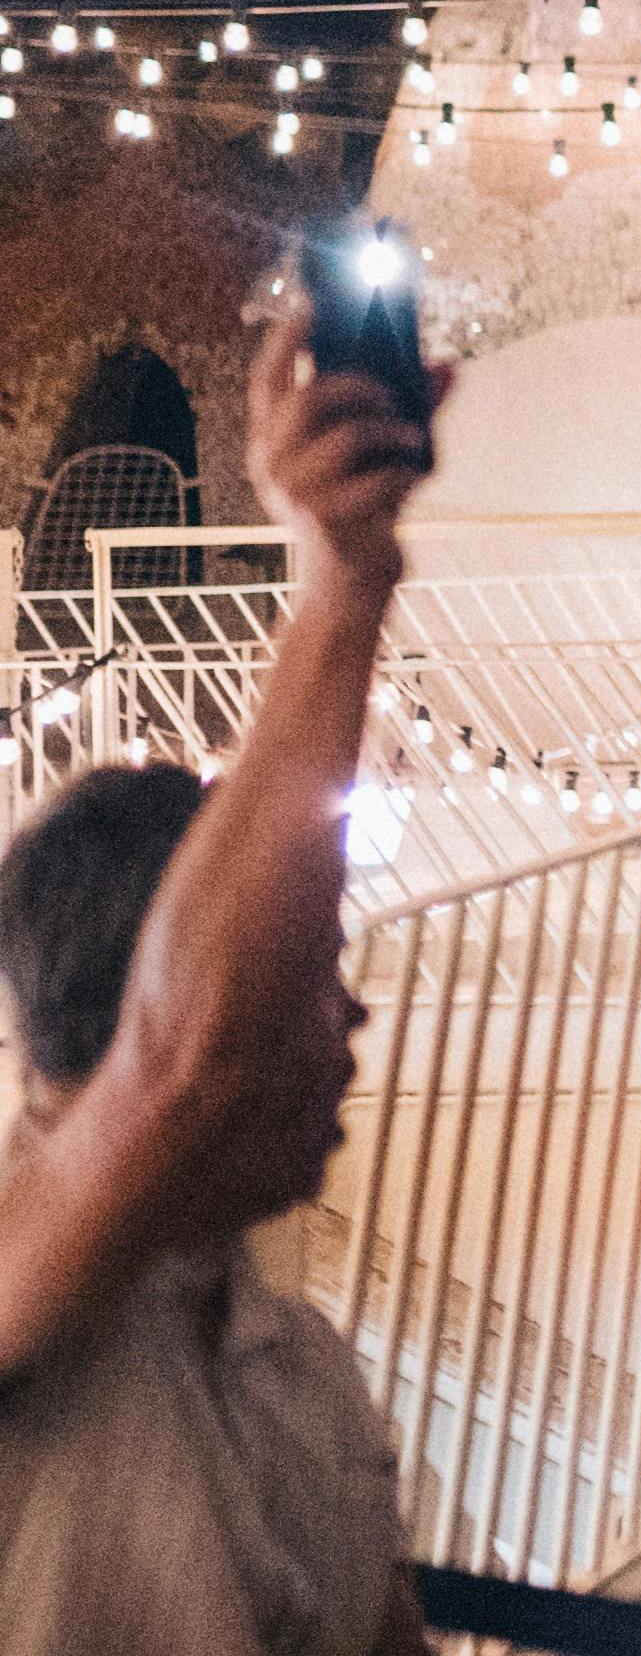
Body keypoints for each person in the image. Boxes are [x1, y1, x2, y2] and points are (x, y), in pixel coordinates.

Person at [0, 305, 432, 1655]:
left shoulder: (303, 1376)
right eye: (311, 977)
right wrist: (341, 588)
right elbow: (188, 1063)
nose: (354, 1017)